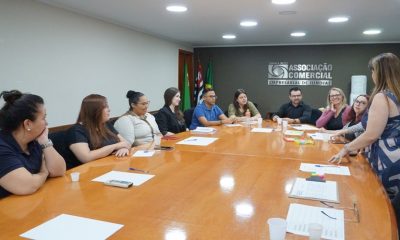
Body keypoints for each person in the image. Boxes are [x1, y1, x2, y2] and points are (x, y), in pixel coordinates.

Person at [329, 53, 400, 228]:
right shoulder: (395, 94)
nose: (372, 75)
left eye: (373, 70)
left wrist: (346, 148)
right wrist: (343, 131)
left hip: (385, 161)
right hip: (396, 156)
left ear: (381, 72)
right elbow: (365, 125)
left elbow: (371, 133)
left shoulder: (381, 97)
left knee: (378, 210)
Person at [0, 90, 65, 198]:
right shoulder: (2, 146)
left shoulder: (34, 141)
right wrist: (43, 173)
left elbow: (59, 170)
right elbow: (27, 186)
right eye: (43, 118)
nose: (47, 123)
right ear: (28, 124)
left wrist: (45, 142)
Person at [65, 94, 130, 169]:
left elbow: (126, 143)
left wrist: (123, 148)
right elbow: (86, 157)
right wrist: (116, 146)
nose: (109, 110)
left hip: (111, 165)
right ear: (94, 111)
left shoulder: (105, 124)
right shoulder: (76, 131)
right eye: (105, 107)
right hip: (89, 172)